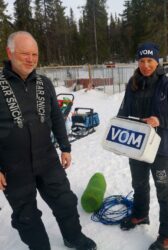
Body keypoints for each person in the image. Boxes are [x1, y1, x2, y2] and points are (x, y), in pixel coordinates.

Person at [0, 31, 97, 250]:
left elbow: (56, 117)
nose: (31, 59)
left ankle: (73, 237)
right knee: (27, 216)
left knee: (65, 201)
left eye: (34, 54)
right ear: (9, 52)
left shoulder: (44, 83)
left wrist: (65, 147)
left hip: (47, 158)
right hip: (13, 167)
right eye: (25, 53)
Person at [117, 42, 168, 250]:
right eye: (141, 61)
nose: (145, 65)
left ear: (157, 61)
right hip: (136, 146)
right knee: (139, 185)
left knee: (165, 192)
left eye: (150, 61)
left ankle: (167, 234)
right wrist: (119, 126)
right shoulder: (133, 84)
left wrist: (160, 121)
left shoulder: (166, 85)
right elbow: (123, 111)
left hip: (161, 150)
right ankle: (140, 214)